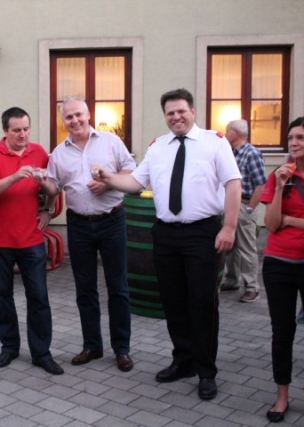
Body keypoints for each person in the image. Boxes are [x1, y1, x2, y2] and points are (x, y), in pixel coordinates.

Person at [95, 88, 241, 400]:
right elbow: (134, 183)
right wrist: (108, 177)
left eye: (181, 111)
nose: (176, 117)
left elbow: (233, 184)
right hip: (165, 234)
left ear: (192, 112)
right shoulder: (158, 147)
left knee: (202, 304)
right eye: (170, 113)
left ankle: (206, 371)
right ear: (165, 116)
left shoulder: (215, 143)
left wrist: (229, 227)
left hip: (202, 233)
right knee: (173, 303)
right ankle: (183, 361)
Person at [39, 97, 136, 373]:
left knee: (118, 287)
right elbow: (54, 188)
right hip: (79, 224)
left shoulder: (110, 142)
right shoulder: (58, 153)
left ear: (88, 114)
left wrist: (108, 184)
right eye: (69, 117)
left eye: (78, 115)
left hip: (112, 220)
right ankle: (92, 345)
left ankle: (121, 349)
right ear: (63, 121)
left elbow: (131, 171)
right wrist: (42, 183)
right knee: (85, 289)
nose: (75, 120)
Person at [0, 107, 63, 375]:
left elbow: (53, 189)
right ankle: (9, 348)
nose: (23, 134)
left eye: (26, 129)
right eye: (17, 130)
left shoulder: (38, 152)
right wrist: (15, 176)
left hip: (31, 239)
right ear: (5, 131)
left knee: (39, 297)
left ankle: (42, 353)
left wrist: (47, 207)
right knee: (3, 297)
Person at [260, 117, 304, 423]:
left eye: (300, 137)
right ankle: (282, 397)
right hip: (278, 263)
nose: (294, 143)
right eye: (290, 138)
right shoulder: (280, 176)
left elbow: (284, 222)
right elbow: (272, 224)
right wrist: (279, 186)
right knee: (282, 332)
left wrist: (291, 220)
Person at [221, 119, 266, 302]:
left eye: (227, 131)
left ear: (236, 133)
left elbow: (261, 185)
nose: (225, 134)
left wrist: (249, 208)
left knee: (246, 248)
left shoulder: (251, 154)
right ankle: (232, 280)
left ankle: (252, 287)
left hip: (245, 203)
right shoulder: (231, 153)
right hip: (231, 203)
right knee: (230, 246)